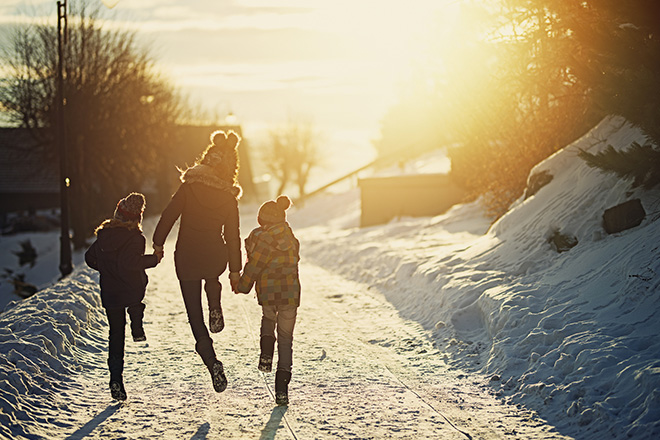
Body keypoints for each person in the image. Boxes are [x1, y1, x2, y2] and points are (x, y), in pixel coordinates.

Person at [152, 130, 242, 393]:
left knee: (194, 315)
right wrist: (235, 271)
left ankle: (212, 361)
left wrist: (158, 245)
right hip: (215, 255)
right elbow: (234, 237)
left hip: (187, 256)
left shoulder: (189, 187)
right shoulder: (228, 197)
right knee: (212, 277)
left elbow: (168, 215)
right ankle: (215, 300)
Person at [85, 192, 162, 401]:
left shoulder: (104, 235)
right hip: (130, 289)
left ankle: (115, 380)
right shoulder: (135, 237)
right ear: (137, 218)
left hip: (111, 293)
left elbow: (89, 258)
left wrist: (107, 268)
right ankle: (137, 324)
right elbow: (130, 263)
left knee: (115, 335)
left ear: (117, 213)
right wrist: (153, 260)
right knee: (137, 296)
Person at [235, 195, 300, 405]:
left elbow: (255, 266)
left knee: (268, 319)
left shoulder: (263, 239)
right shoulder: (291, 239)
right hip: (290, 294)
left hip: (270, 294)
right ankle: (282, 389)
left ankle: (266, 355)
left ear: (262, 220)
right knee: (286, 339)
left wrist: (242, 286)